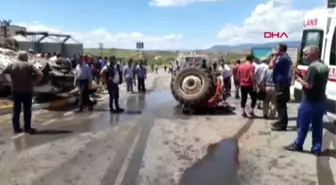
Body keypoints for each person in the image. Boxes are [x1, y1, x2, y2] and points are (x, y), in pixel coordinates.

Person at [284, 46, 329, 155]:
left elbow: (309, 86)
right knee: (317, 126)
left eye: (306, 54)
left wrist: (298, 78)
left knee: (302, 125)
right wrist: (303, 75)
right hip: (321, 101)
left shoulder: (312, 68)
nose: (304, 57)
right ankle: (316, 148)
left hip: (309, 101)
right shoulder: (324, 66)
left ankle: (298, 144)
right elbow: (317, 81)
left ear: (313, 54)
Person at [1, 51, 43, 134]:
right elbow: (40, 74)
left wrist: (7, 82)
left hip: (16, 90)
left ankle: (16, 128)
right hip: (27, 91)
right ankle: (27, 128)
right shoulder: (29, 65)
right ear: (25, 57)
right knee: (27, 110)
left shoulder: (11, 65)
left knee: (16, 110)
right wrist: (34, 82)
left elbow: (1, 74)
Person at [269, 43, 292, 131]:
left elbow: (270, 66)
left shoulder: (282, 58)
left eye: (277, 49)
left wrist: (274, 56)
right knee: (280, 103)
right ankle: (280, 121)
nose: (276, 50)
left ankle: (282, 124)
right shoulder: (287, 57)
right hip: (283, 83)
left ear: (280, 50)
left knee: (281, 104)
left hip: (281, 84)